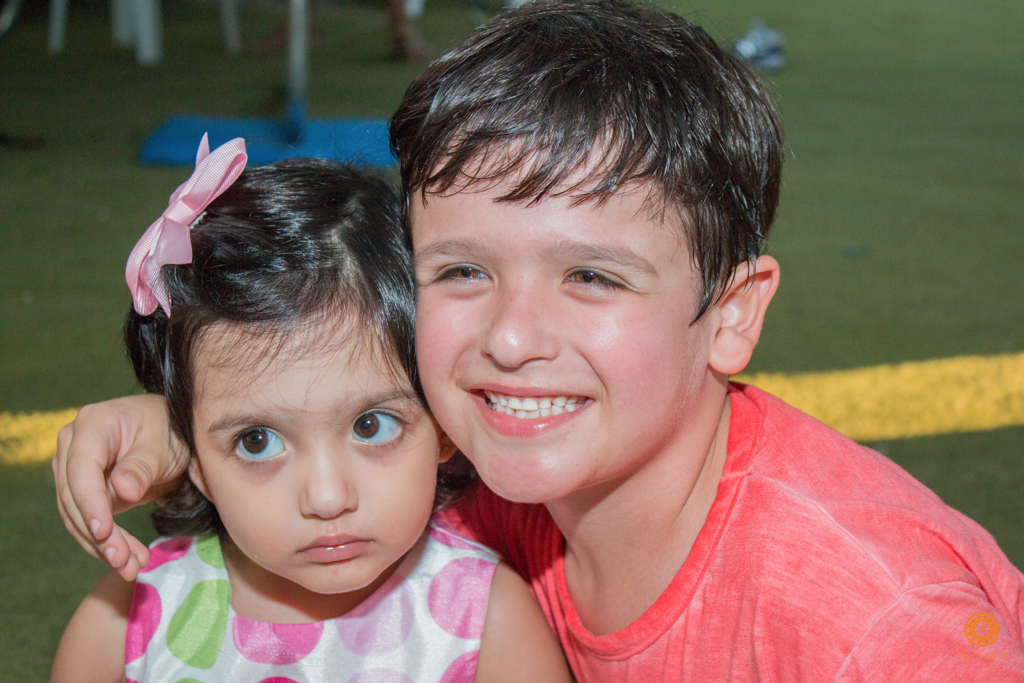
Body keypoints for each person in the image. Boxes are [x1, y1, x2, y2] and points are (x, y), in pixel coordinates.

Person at [53, 1, 1024, 680]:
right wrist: (194, 423)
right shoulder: (500, 462)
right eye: (463, 269)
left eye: (592, 275)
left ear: (730, 313)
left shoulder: (881, 628)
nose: (509, 338)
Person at [50, 137, 570, 683]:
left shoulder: (490, 624)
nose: (327, 497)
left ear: (441, 422)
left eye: (371, 426)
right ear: (192, 457)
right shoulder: (127, 625)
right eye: (257, 441)